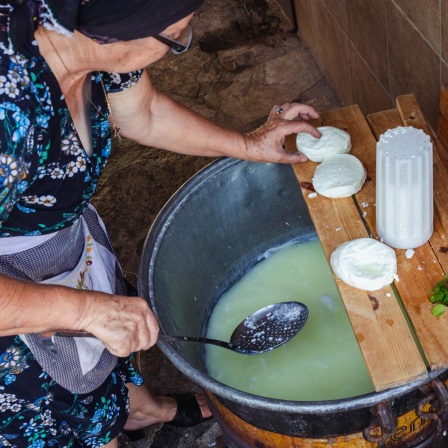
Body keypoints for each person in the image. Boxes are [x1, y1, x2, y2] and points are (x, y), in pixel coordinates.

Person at [0, 0, 321, 446]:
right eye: (173, 37)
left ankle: (139, 410)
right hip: (13, 320)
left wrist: (249, 145)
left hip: (67, 249)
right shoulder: (8, 112)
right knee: (71, 417)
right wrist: (86, 310)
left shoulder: (92, 48)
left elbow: (143, 111)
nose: (176, 48)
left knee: (110, 349)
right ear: (120, 29)